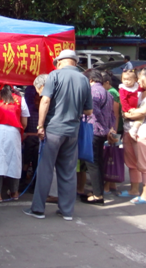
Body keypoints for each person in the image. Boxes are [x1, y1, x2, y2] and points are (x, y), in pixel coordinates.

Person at [23, 49, 92, 221]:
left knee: (46, 169)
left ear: (60, 62)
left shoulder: (54, 76)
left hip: (53, 129)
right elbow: (89, 110)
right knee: (68, 171)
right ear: (75, 62)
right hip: (73, 131)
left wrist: (40, 125)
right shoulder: (84, 79)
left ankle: (38, 209)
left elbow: (45, 100)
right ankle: (67, 211)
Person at [121, 67, 146, 204]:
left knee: (144, 165)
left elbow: (142, 112)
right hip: (130, 130)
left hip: (145, 133)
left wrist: (126, 114)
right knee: (132, 164)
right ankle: (134, 190)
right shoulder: (141, 92)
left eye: (140, 78)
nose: (138, 81)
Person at [80, 69, 116, 205]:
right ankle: (97, 191)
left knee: (93, 164)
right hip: (101, 133)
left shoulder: (93, 91)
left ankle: (98, 195)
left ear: (90, 80)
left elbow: (94, 109)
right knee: (98, 163)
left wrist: (102, 124)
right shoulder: (107, 93)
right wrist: (108, 128)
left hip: (93, 130)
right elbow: (112, 115)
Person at [28, 75, 59, 203]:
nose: (39, 95)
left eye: (38, 91)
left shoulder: (48, 98)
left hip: (53, 133)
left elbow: (45, 103)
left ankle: (46, 197)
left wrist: (40, 126)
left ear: (42, 87)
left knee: (49, 166)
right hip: (66, 131)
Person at [101, 71, 123, 194]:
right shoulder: (111, 92)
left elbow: (115, 114)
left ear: (107, 83)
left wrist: (113, 130)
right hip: (113, 127)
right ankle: (112, 184)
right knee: (111, 154)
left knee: (110, 155)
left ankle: (107, 185)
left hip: (113, 128)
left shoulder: (112, 93)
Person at [119, 69, 144, 141]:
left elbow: (142, 89)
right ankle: (132, 131)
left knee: (141, 117)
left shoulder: (136, 86)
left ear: (135, 80)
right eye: (124, 79)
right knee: (137, 118)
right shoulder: (123, 89)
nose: (126, 81)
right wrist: (128, 109)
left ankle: (134, 130)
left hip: (135, 108)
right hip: (128, 109)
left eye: (129, 79)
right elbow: (123, 100)